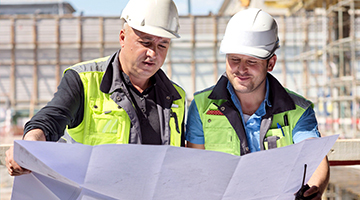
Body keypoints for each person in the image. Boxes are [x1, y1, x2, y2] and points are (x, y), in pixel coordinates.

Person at [6, 0, 186, 176]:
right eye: (146, 42)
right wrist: (28, 146)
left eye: (162, 45)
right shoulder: (84, 80)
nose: (153, 53)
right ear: (123, 38)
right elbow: (50, 119)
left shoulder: (176, 96)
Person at [185, 8, 329, 199]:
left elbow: (315, 159)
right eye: (234, 59)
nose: (241, 69)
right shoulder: (202, 107)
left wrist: (313, 190)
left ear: (271, 63)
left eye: (251, 61)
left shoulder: (297, 111)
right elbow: (195, 167)